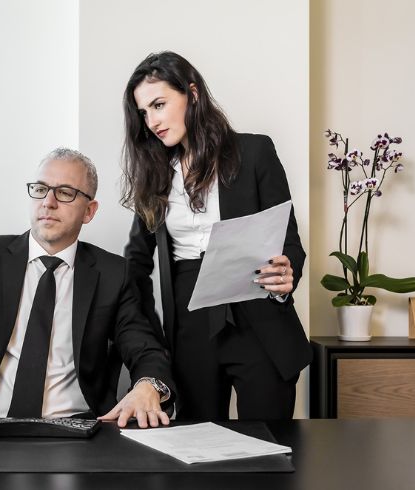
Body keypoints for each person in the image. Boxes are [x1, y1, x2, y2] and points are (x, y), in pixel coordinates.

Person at [0, 148, 175, 428]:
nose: (48, 202)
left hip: (74, 433)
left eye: (65, 193)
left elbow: (144, 348)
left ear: (89, 211)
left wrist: (148, 386)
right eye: (40, 189)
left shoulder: (113, 273)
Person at [121, 51, 311, 421]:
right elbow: (136, 265)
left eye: (159, 105)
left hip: (258, 315)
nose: (152, 121)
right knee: (198, 443)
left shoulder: (254, 152)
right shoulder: (154, 174)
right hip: (189, 324)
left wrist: (286, 276)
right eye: (144, 113)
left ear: (192, 94)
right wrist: (152, 337)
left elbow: (288, 241)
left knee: (268, 442)